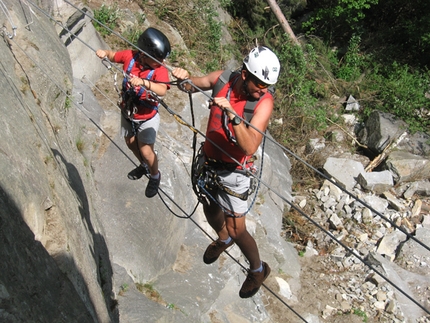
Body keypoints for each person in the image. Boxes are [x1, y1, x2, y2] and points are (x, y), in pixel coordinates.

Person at [172, 46, 280, 298]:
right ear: (244, 74)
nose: (263, 89)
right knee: (209, 205)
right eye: (259, 83)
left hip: (234, 172)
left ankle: (257, 269)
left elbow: (250, 145)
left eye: (267, 85)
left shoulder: (263, 104)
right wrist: (182, 77)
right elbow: (191, 85)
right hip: (210, 162)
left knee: (237, 229)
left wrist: (233, 116)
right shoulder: (222, 79)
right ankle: (223, 239)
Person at [96, 27, 171, 198]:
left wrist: (144, 82)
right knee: (130, 142)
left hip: (147, 116)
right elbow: (113, 55)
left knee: (146, 150)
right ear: (143, 54)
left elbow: (162, 90)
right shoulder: (130, 56)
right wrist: (104, 53)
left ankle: (154, 175)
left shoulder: (159, 70)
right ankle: (144, 166)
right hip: (129, 112)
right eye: (157, 59)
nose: (161, 62)